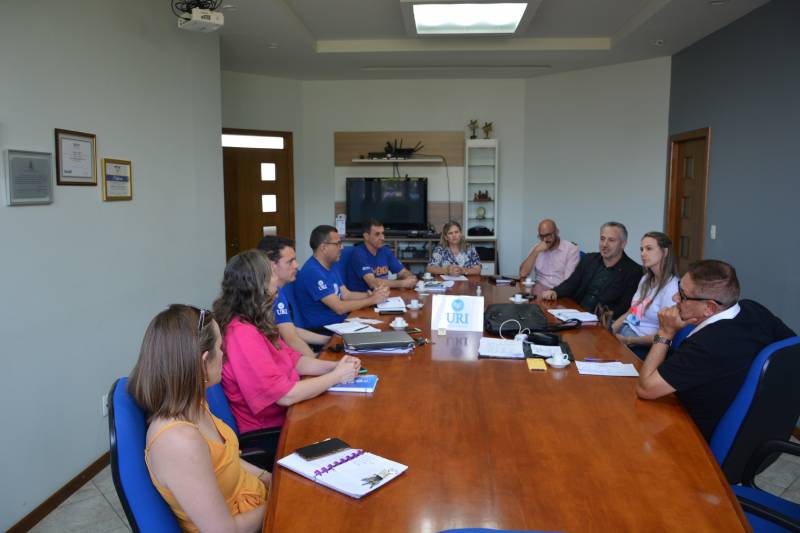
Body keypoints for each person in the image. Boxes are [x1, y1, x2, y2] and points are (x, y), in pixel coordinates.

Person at [212, 250, 362, 465]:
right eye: (272, 275)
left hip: (290, 415)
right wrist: (336, 377)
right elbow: (285, 396)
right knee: (349, 429)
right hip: (271, 433)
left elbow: (294, 360)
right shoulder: (242, 334)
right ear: (258, 284)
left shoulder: (255, 322)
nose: (276, 281)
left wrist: (335, 367)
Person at [128, 304, 268, 533]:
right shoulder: (178, 441)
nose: (224, 354)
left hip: (258, 507)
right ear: (203, 362)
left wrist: (270, 479)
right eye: (220, 348)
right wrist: (279, 500)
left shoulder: (193, 402)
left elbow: (224, 460)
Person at [636, 260, 795, 440]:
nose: (675, 298)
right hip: (751, 426)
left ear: (709, 308)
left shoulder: (707, 345)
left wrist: (665, 332)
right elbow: (792, 346)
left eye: (683, 295)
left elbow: (645, 389)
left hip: (694, 436)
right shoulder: (754, 309)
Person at [294, 225, 389, 330]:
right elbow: (339, 308)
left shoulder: (330, 264)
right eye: (338, 244)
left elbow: (346, 295)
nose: (342, 247)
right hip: (325, 330)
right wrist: (372, 300)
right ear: (323, 247)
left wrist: (371, 295)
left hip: (341, 322)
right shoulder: (313, 272)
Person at [541, 221, 641, 319]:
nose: (604, 244)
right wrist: (555, 292)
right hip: (575, 313)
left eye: (611, 240)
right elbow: (571, 283)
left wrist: (599, 318)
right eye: (602, 239)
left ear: (623, 244)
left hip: (601, 323)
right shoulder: (589, 259)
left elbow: (623, 307)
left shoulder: (633, 271)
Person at [257, 235, 330, 357]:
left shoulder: (278, 290)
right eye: (290, 261)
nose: (296, 265)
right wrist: (317, 362)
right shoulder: (267, 294)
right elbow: (291, 339)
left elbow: (290, 329)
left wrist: (328, 340)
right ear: (271, 265)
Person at [611, 231, 679, 357]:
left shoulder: (672, 288)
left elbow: (665, 334)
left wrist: (629, 340)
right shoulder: (646, 279)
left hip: (642, 343)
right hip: (625, 330)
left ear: (665, 252)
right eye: (642, 249)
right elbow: (632, 311)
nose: (643, 254)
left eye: (649, 249)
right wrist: (611, 330)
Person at [345, 218, 418, 291]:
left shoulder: (385, 250)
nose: (382, 238)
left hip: (382, 296)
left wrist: (410, 278)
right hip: (364, 299)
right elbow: (373, 283)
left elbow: (403, 272)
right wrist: (402, 283)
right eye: (377, 234)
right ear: (366, 236)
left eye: (383, 233)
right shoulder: (358, 253)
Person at [518, 218, 580, 297]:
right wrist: (535, 252)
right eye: (541, 236)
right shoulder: (537, 248)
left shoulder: (571, 250)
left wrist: (554, 292)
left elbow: (569, 282)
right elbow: (523, 273)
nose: (545, 240)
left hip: (560, 294)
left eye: (548, 235)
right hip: (539, 293)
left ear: (557, 232)